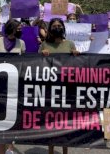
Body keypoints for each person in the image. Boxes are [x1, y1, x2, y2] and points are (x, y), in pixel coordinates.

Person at [38, 18, 79, 154]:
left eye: (59, 26)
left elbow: (77, 65)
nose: (57, 28)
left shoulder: (70, 44)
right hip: (50, 89)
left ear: (63, 28)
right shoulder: (44, 45)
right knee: (51, 122)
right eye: (54, 26)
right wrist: (41, 55)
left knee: (65, 122)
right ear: (49, 29)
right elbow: (35, 64)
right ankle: (51, 151)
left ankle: (65, 151)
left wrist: (76, 55)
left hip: (66, 89)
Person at [0, 19, 25, 154]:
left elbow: (25, 62)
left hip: (15, 85)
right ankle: (1, 149)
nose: (20, 30)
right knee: (1, 117)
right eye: (19, 27)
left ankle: (10, 148)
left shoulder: (21, 43)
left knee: (13, 117)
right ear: (11, 28)